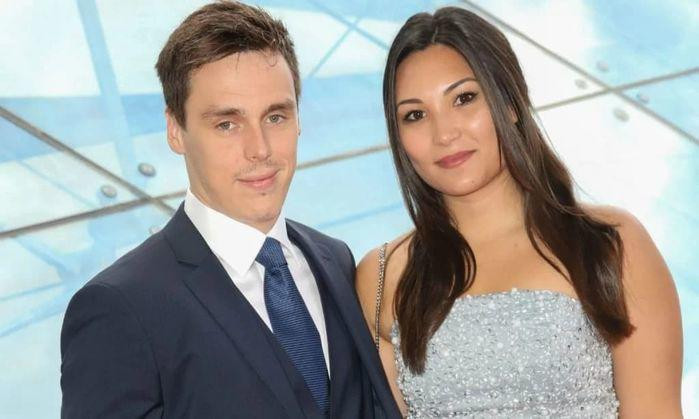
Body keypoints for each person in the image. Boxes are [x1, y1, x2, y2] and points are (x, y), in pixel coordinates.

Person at [60, 2, 400, 418]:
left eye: (275, 117)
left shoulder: (336, 261)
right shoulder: (119, 309)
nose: (259, 149)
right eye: (227, 124)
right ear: (175, 130)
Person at [356, 7, 683, 418]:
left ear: (509, 101)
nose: (445, 133)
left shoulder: (610, 244)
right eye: (415, 115)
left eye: (464, 98)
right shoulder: (381, 277)